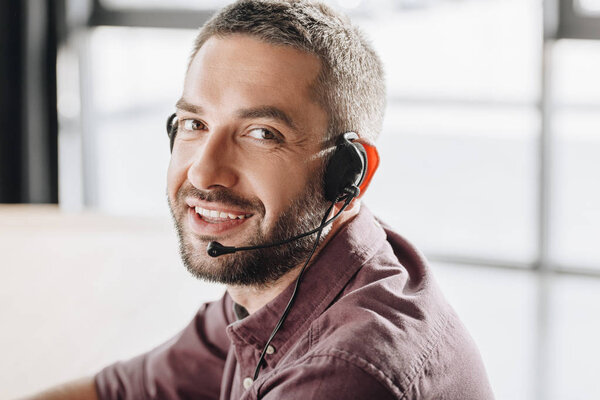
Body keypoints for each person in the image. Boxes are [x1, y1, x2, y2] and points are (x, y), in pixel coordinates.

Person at [25, 1, 494, 399]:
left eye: (261, 133)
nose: (205, 171)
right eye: (194, 124)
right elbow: (122, 391)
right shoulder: (279, 279)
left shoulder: (345, 371)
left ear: (349, 172)